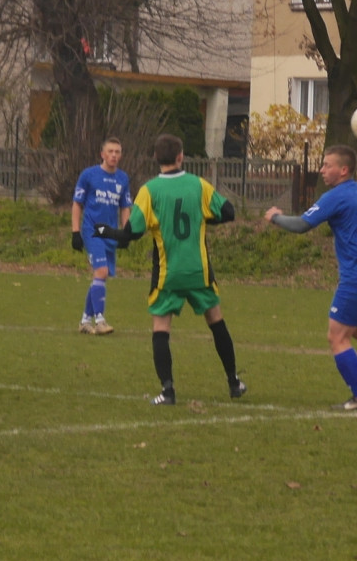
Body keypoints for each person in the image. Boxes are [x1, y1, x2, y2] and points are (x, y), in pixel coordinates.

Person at [94, 133, 246, 405]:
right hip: (199, 270)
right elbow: (229, 212)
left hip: (168, 273)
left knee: (161, 329)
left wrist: (105, 231)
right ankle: (234, 382)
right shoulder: (199, 185)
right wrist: (202, 219)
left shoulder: (149, 191)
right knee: (217, 323)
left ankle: (168, 391)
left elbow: (131, 234)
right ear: (181, 157)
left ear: (155, 158)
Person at [265, 144, 357, 411]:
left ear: (343, 169)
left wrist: (276, 217)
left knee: (337, 336)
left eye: (327, 165)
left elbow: (303, 225)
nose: (322, 170)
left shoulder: (337, 196)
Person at [71, 137, 133, 335]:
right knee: (102, 271)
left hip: (110, 233)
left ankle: (84, 321)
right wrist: (75, 232)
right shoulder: (89, 175)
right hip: (93, 230)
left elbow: (125, 207)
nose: (114, 155)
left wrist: (125, 232)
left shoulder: (123, 178)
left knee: (101, 276)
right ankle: (100, 320)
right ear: (102, 154)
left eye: (117, 152)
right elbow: (77, 204)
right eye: (110, 151)